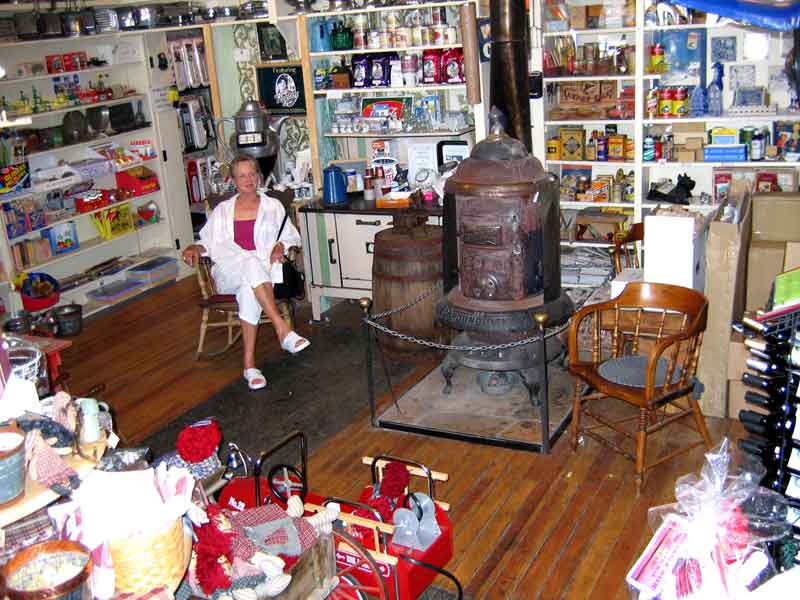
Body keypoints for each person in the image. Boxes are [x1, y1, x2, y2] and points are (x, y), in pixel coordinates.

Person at [182, 155, 309, 391]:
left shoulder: (273, 206)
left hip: (264, 275)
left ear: (258, 176)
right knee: (250, 264)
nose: (248, 179)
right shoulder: (222, 211)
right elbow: (207, 243)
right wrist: (194, 248)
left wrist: (281, 245)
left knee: (249, 291)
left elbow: (291, 237)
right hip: (230, 272)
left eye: (252, 174)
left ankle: (249, 367)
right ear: (233, 180)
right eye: (242, 175)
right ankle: (282, 329)